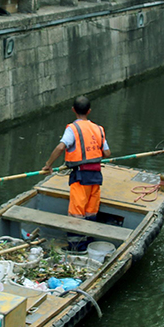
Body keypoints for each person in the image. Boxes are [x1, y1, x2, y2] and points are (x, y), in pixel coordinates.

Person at [41, 96, 111, 247]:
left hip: (80, 177)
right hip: (96, 177)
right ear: (89, 111)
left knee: (76, 214)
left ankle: (76, 248)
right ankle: (88, 243)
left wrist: (48, 164)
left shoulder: (73, 129)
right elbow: (107, 153)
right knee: (91, 212)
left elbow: (61, 147)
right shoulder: (99, 129)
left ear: (73, 110)